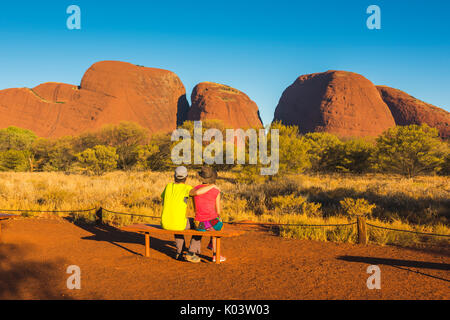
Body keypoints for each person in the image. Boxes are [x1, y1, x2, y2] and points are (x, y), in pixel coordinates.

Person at [160, 166, 215, 263]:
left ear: (174, 176)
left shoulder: (168, 186)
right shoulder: (187, 188)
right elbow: (197, 192)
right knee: (200, 224)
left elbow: (163, 200)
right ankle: (191, 252)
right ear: (186, 177)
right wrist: (212, 186)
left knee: (178, 223)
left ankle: (179, 252)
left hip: (164, 223)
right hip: (177, 223)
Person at [190, 166, 226, 263]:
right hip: (211, 223)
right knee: (218, 226)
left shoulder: (195, 189)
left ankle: (209, 246)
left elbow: (193, 195)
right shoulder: (216, 190)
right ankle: (215, 254)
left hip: (198, 224)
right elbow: (218, 211)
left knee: (210, 225)